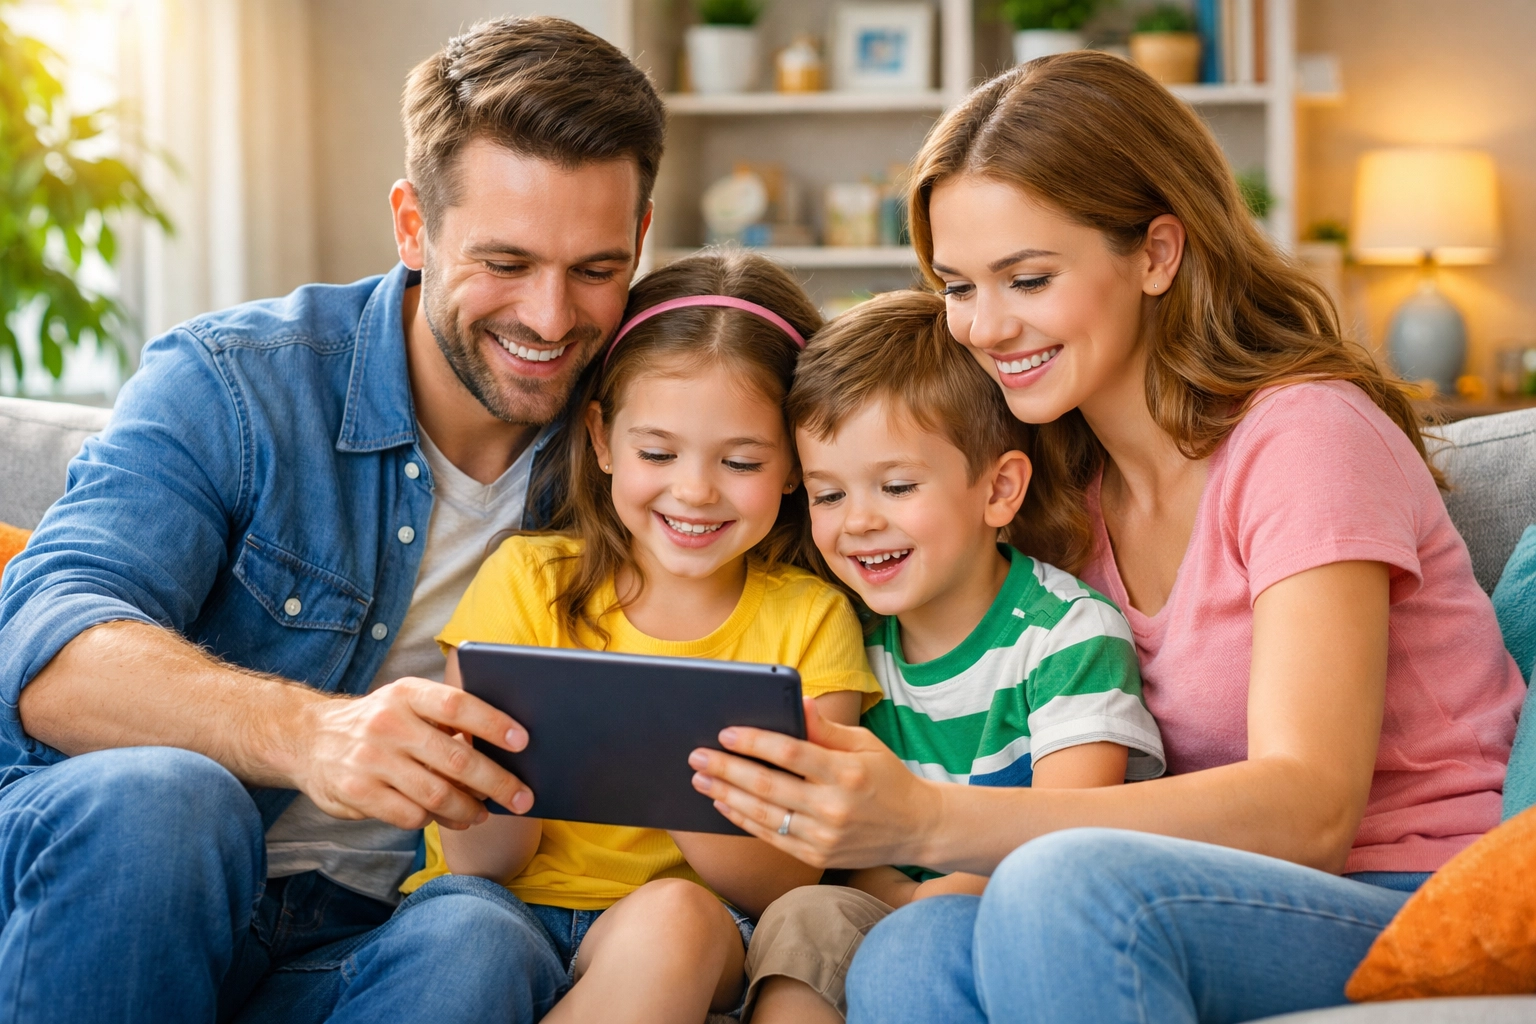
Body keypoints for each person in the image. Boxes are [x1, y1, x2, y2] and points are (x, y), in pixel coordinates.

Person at [687, 51, 1527, 1024]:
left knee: (1061, 885)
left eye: (1027, 278)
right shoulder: (1056, 485)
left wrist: (929, 819)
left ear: (1157, 254)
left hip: (1415, 894)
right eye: (958, 286)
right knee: (908, 954)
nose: (984, 327)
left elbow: (1312, 811)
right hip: (1186, 894)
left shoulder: (1305, 436)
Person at [0, 16, 668, 1022]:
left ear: (641, 240)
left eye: (595, 270)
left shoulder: (656, 443)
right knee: (168, 801)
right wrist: (314, 734)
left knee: (482, 933)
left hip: (365, 941)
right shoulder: (235, 385)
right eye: (505, 262)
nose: (549, 317)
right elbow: (47, 643)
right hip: (132, 882)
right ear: (413, 226)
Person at [401, 251, 883, 1022]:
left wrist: (660, 754)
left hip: (694, 926)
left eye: (741, 461)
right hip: (498, 903)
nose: (693, 490)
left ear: (796, 463)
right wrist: (493, 770)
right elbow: (480, 863)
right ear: (602, 439)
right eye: (657, 453)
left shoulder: (811, 620)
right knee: (467, 937)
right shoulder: (528, 582)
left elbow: (781, 886)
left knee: (675, 919)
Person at [742, 289, 1165, 1024]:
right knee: (801, 917)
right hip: (884, 904)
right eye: (828, 495)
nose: (858, 521)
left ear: (999, 489)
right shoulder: (844, 637)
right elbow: (841, 839)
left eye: (897, 486)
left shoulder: (1067, 635)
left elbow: (1070, 832)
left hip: (1021, 910)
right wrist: (900, 897)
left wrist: (933, 901)